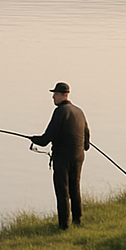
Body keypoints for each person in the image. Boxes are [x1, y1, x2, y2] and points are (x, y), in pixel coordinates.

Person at [31, 82, 90, 230]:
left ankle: (64, 225)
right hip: (78, 156)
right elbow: (87, 139)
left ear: (64, 95)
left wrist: (33, 139)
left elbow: (47, 138)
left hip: (63, 158)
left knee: (62, 190)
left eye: (55, 94)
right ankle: (78, 220)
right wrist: (82, 146)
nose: (53, 97)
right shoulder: (79, 111)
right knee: (74, 188)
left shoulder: (60, 112)